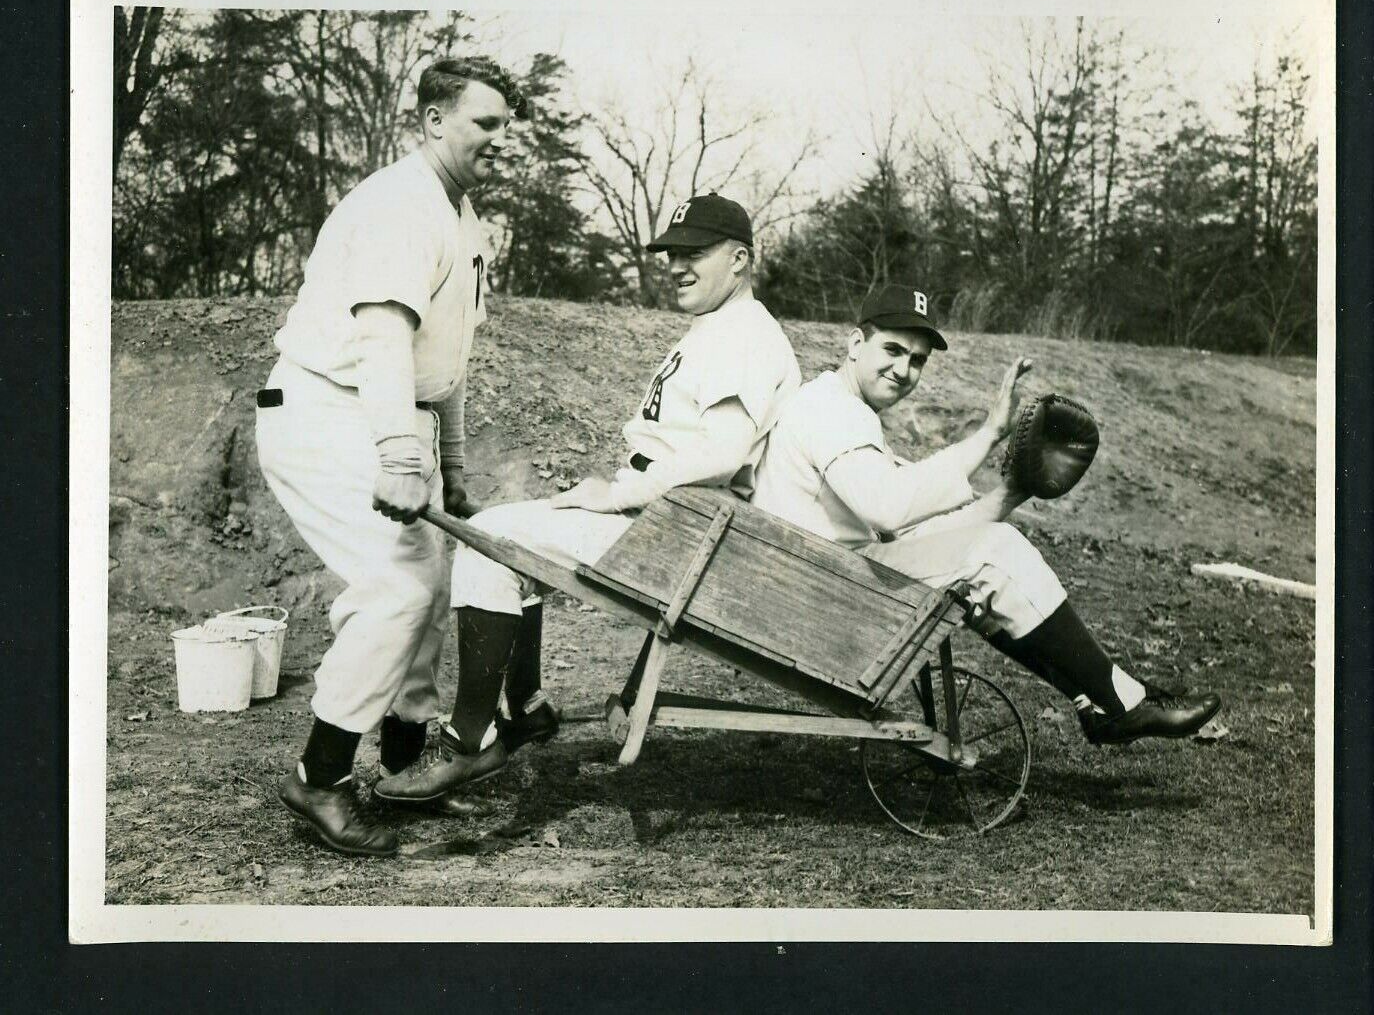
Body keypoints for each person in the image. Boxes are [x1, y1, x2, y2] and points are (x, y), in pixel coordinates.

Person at [374, 193, 802, 808]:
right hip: (668, 518)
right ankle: (526, 708)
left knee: (492, 546)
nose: (678, 266)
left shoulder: (750, 336)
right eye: (672, 254)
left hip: (682, 531)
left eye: (695, 254)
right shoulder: (720, 327)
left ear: (739, 259)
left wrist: (621, 493)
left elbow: (723, 453)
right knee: (501, 537)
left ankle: (467, 741)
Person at [750, 283, 1222, 744]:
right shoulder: (831, 411)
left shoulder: (840, 409)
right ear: (856, 343)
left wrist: (1011, 493)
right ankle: (1115, 702)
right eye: (892, 349)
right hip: (820, 597)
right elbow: (890, 510)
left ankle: (1104, 698)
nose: (903, 369)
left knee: (984, 560)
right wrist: (991, 432)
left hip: (825, 580)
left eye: (917, 360)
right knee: (995, 554)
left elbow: (918, 532)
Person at [256, 56, 527, 857]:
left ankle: (402, 771)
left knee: (428, 581)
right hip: (326, 408)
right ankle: (320, 774)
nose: (499, 139)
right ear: (434, 120)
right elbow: (381, 335)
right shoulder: (401, 204)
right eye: (485, 122)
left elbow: (446, 362)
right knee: (400, 585)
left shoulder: (462, 214)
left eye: (506, 126)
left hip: (384, 412)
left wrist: (456, 466)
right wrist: (398, 454)